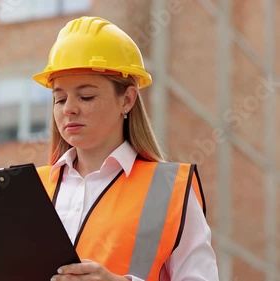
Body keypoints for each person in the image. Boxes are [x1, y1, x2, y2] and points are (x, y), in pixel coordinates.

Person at [32, 16, 219, 281]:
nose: (68, 109)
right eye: (59, 98)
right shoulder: (32, 187)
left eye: (86, 96)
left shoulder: (169, 189)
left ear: (127, 100)